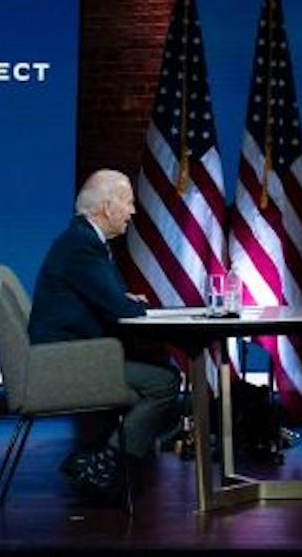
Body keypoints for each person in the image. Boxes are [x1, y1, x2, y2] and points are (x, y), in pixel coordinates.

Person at [27, 171, 183, 489]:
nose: (133, 211)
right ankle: (105, 463)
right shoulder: (82, 245)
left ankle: (95, 454)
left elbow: (114, 297)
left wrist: (123, 300)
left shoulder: (85, 240)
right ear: (107, 206)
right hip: (64, 361)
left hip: (72, 353)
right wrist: (130, 304)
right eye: (128, 202)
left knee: (158, 370)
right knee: (164, 382)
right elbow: (119, 307)